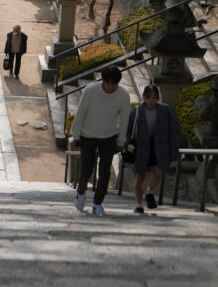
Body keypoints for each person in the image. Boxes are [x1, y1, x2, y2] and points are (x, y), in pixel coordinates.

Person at [71, 66, 129, 216]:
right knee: (87, 168)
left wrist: (121, 140)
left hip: (109, 137)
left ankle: (98, 202)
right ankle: (81, 193)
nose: (111, 86)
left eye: (114, 83)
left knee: (105, 172)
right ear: (103, 80)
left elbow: (124, 120)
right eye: (108, 83)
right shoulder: (90, 91)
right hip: (88, 136)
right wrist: (75, 135)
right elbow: (81, 112)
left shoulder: (123, 95)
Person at [125, 84, 180, 214]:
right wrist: (127, 145)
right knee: (140, 177)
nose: (151, 100)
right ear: (144, 97)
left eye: (154, 97)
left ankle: (149, 192)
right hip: (141, 146)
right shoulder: (136, 111)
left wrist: (174, 151)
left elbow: (172, 131)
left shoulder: (165, 110)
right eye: (148, 97)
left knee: (158, 174)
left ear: (158, 98)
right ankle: (139, 204)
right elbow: (128, 131)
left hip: (159, 145)